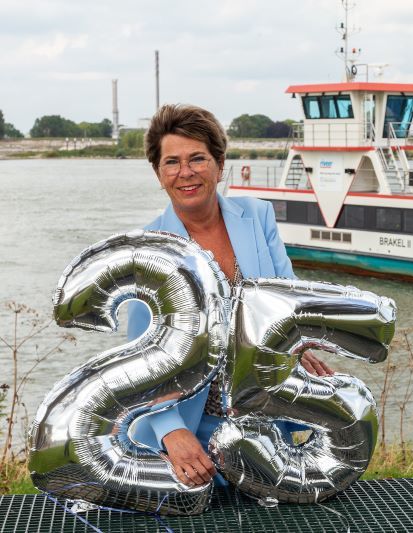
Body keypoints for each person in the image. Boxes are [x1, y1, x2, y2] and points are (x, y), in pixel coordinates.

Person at [127, 104, 333, 488]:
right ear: (158, 173)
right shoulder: (147, 251)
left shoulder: (257, 216)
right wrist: (172, 432)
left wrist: (300, 347)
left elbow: (288, 300)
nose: (185, 172)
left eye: (197, 159)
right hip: (192, 427)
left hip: (264, 416)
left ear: (219, 166)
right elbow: (142, 360)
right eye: (171, 161)